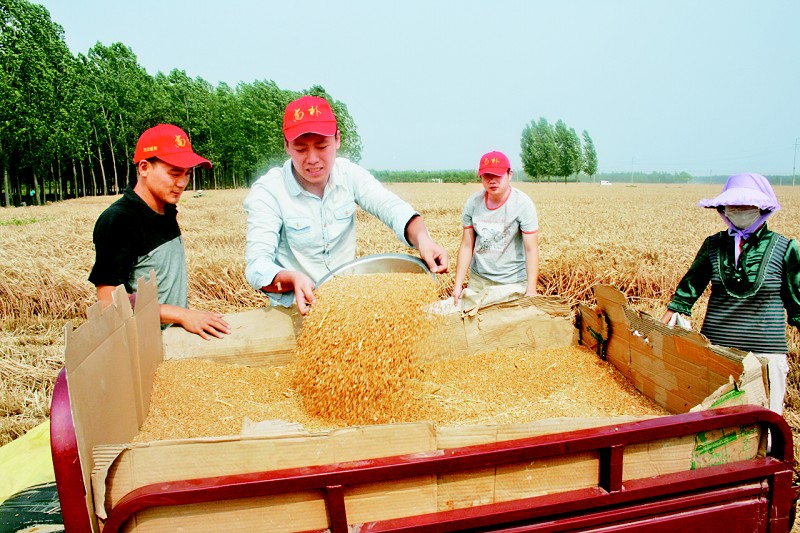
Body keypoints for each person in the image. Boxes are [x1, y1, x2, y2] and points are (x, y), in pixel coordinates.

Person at [244, 95, 449, 314]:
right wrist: (291, 279)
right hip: (295, 311)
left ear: (337, 140)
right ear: (286, 146)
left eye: (322, 146)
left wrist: (424, 240)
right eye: (301, 149)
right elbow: (257, 266)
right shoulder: (269, 191)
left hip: (345, 308)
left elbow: (391, 207)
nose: (312, 158)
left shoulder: (348, 174)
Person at [661, 173, 800, 415]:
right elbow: (686, 292)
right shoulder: (713, 245)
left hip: (765, 356)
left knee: (763, 426)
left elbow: (798, 304)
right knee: (714, 425)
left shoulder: (785, 248)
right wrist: (660, 327)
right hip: (717, 353)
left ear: (761, 207)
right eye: (733, 204)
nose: (739, 210)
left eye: (746, 204)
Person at [88, 124, 231, 340]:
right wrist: (181, 314)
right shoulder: (119, 220)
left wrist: (180, 317)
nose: (182, 183)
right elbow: (108, 300)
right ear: (144, 168)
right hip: (139, 346)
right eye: (174, 173)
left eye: (187, 173)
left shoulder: (165, 209)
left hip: (169, 339)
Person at [451, 150, 539, 313]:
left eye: (498, 175)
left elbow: (531, 249)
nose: (492, 181)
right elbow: (466, 245)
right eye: (487, 176)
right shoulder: (473, 203)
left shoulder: (522, 204)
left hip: (511, 283)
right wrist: (457, 286)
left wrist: (531, 290)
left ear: (509, 174)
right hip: (479, 281)